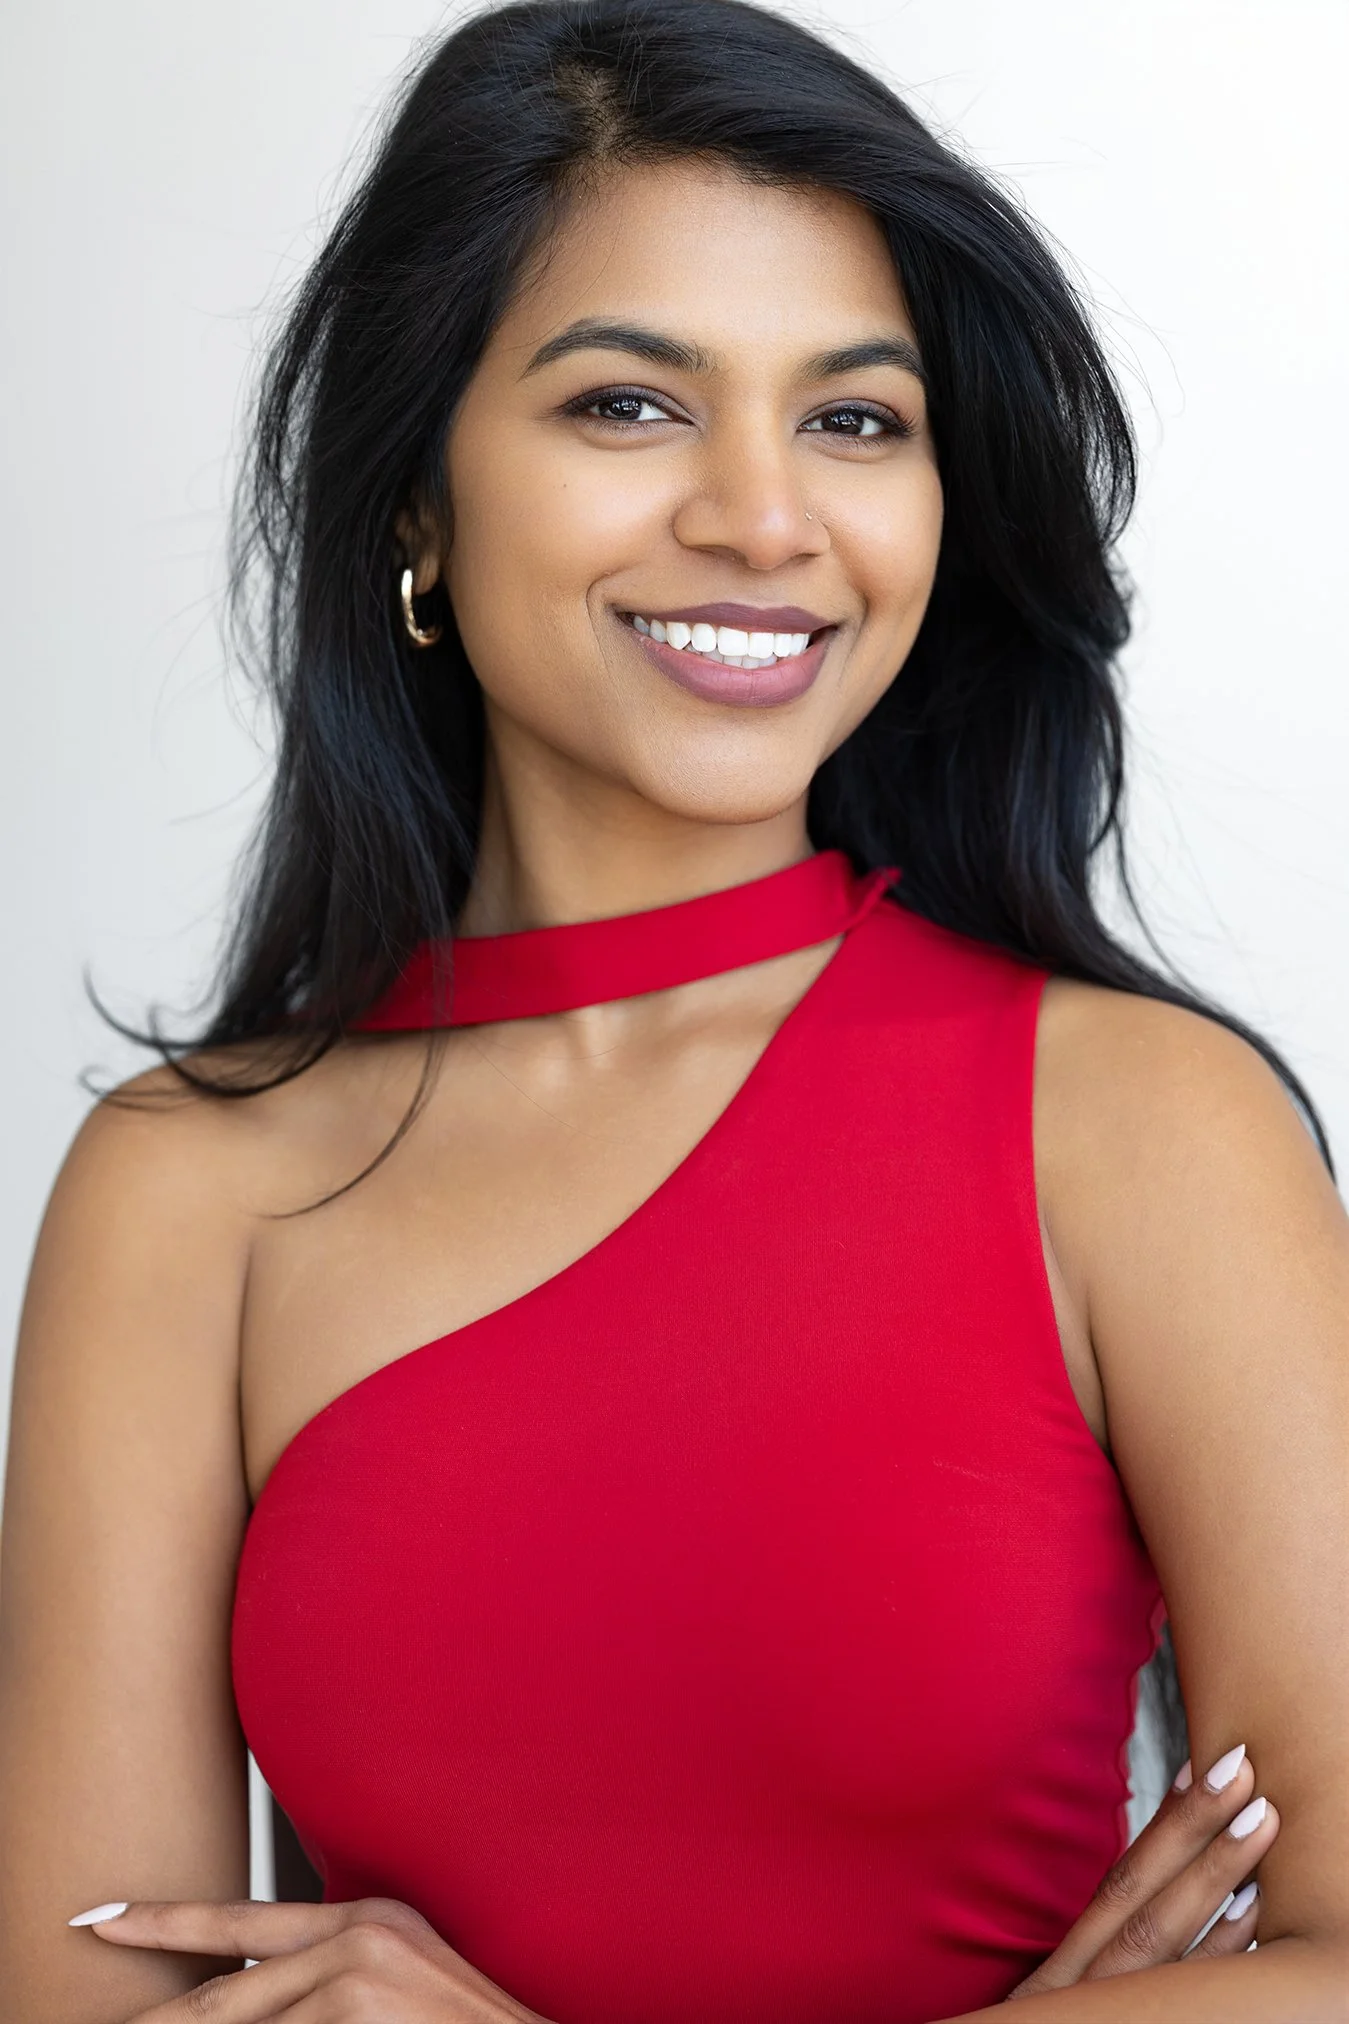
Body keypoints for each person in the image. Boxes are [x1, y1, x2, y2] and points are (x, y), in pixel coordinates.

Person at [1, 1, 1345, 2019]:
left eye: (853, 418)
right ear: (412, 507)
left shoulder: (1139, 1123)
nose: (762, 516)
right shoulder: (190, 1186)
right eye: (628, 406)